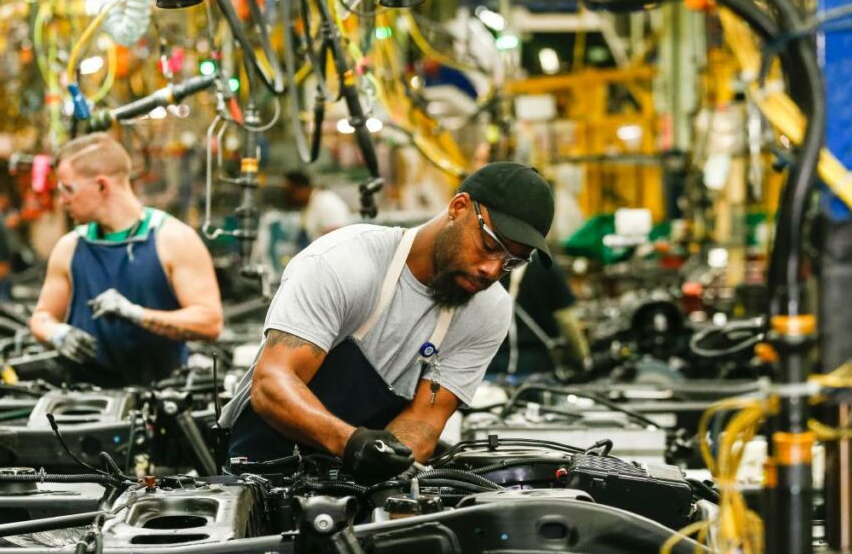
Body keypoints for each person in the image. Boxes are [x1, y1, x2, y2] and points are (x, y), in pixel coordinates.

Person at [220, 162, 555, 483]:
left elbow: (426, 419)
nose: (493, 271)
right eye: (489, 246)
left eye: (511, 262)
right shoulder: (346, 263)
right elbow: (273, 384)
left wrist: (389, 461)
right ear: (458, 207)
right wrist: (350, 443)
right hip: (262, 473)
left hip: (361, 487)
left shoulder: (489, 310)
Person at [29, 133, 223, 386]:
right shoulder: (70, 247)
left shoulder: (173, 240)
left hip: (161, 398)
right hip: (84, 402)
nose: (62, 199)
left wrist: (136, 314)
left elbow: (209, 322)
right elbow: (41, 317)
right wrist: (57, 333)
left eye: (68, 188)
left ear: (102, 186)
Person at [486, 260, 592, 379]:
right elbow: (567, 321)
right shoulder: (546, 265)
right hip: (536, 368)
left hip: (492, 367)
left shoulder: (494, 265)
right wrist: (582, 357)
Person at [283, 170, 352, 247]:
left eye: (290, 192)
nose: (288, 197)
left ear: (300, 189)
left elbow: (337, 242)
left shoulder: (326, 202)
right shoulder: (310, 203)